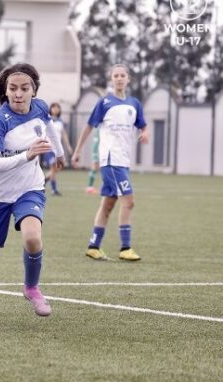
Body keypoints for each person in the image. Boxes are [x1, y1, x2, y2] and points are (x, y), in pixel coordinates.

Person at [0, 63, 65, 323]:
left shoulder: (41, 107)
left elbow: (50, 126)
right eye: (13, 88)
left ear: (34, 91)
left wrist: (59, 152)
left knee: (33, 237)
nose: (18, 93)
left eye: (24, 88)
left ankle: (31, 288)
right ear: (6, 90)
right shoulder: (0, 121)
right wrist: (27, 155)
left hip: (30, 187)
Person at [72, 64, 149, 261]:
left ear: (128, 78)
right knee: (129, 202)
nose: (119, 78)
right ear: (111, 79)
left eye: (123, 75)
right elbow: (89, 127)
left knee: (108, 203)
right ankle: (125, 248)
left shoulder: (134, 103)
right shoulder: (104, 102)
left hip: (123, 160)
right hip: (111, 159)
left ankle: (93, 246)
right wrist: (78, 150)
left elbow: (143, 125)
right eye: (116, 75)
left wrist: (145, 132)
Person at [42, 102, 73, 196]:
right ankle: (54, 189)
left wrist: (68, 147)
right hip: (49, 148)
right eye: (53, 107)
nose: (55, 109)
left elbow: (64, 135)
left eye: (57, 108)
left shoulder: (60, 121)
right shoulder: (47, 120)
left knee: (57, 169)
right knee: (53, 167)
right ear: (50, 109)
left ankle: (43, 181)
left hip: (57, 149)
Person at [84, 128, 100, 194]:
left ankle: (90, 187)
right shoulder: (99, 128)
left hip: (97, 148)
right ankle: (89, 187)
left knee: (96, 167)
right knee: (95, 166)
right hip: (97, 149)